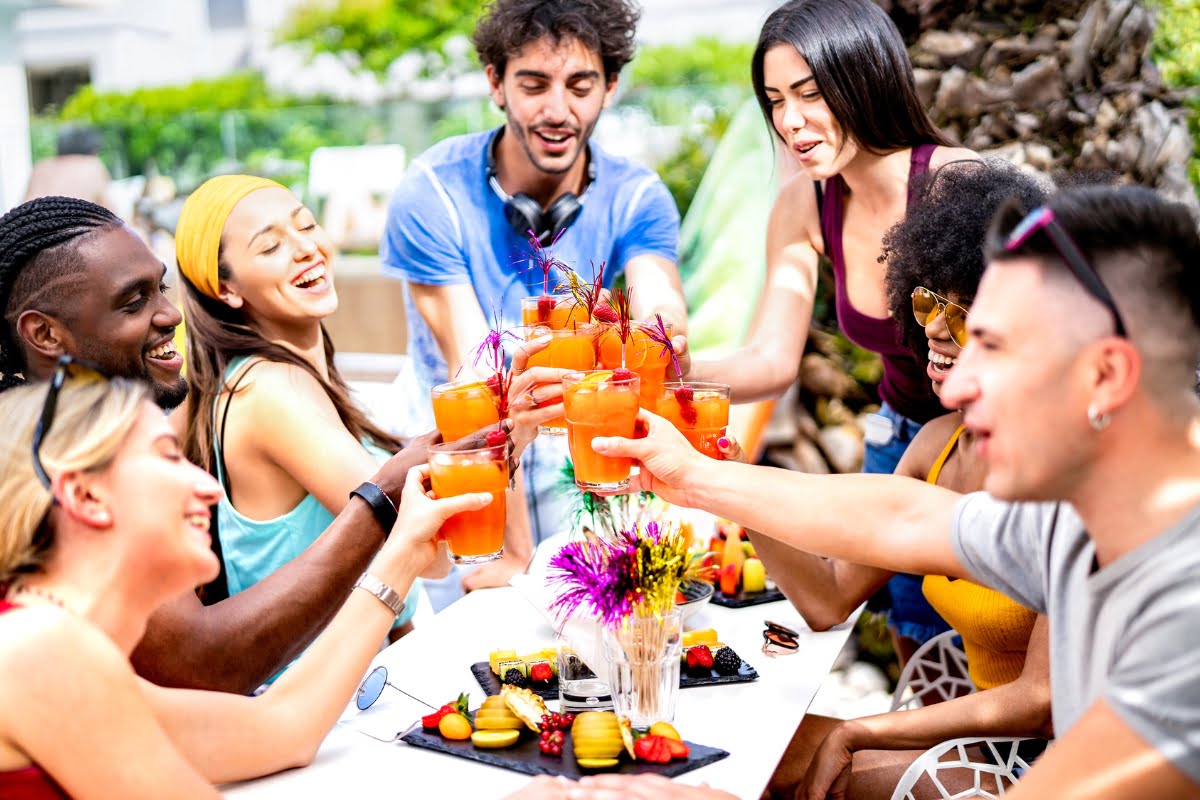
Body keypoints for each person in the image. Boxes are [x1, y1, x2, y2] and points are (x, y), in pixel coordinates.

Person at [594, 185, 1200, 797]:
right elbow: (902, 516)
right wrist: (695, 474)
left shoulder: (1184, 605)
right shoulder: (1081, 518)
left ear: (1105, 376)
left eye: (992, 347)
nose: (955, 386)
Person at [0, 195, 544, 693]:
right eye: (132, 301)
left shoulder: (145, 418)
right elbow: (204, 663)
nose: (169, 314)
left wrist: (504, 434)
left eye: (307, 225)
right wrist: (381, 501)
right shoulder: (66, 471)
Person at [0, 370, 490, 797]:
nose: (210, 487)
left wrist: (403, 554)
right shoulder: (41, 651)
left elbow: (283, 728)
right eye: (168, 457)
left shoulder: (52, 651)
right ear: (86, 496)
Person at [734, 160, 1052, 798]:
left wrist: (859, 732)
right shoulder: (936, 445)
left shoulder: (1064, 471)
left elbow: (1040, 700)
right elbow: (829, 598)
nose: (932, 327)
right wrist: (732, 484)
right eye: (928, 300)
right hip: (985, 741)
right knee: (751, 742)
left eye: (962, 315)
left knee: (791, 772)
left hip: (1051, 762)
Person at [675, 0, 977, 652]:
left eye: (809, 93)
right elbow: (771, 360)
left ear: (865, 78)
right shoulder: (804, 203)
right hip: (901, 439)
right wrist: (673, 371)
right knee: (917, 640)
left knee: (990, 637)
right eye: (775, 100)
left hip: (986, 443)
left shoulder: (956, 185)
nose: (790, 121)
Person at [380, 0, 688, 579]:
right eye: (533, 84)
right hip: (456, 465)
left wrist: (663, 332)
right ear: (495, 83)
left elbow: (658, 298)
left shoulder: (637, 194)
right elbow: (478, 376)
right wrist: (511, 556)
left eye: (580, 86)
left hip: (577, 455)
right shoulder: (431, 191)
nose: (558, 110)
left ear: (610, 87)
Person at [23, 126, 114, 211]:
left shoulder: (41, 166)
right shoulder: (92, 165)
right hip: (71, 221)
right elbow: (111, 215)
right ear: (93, 151)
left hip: (26, 221)